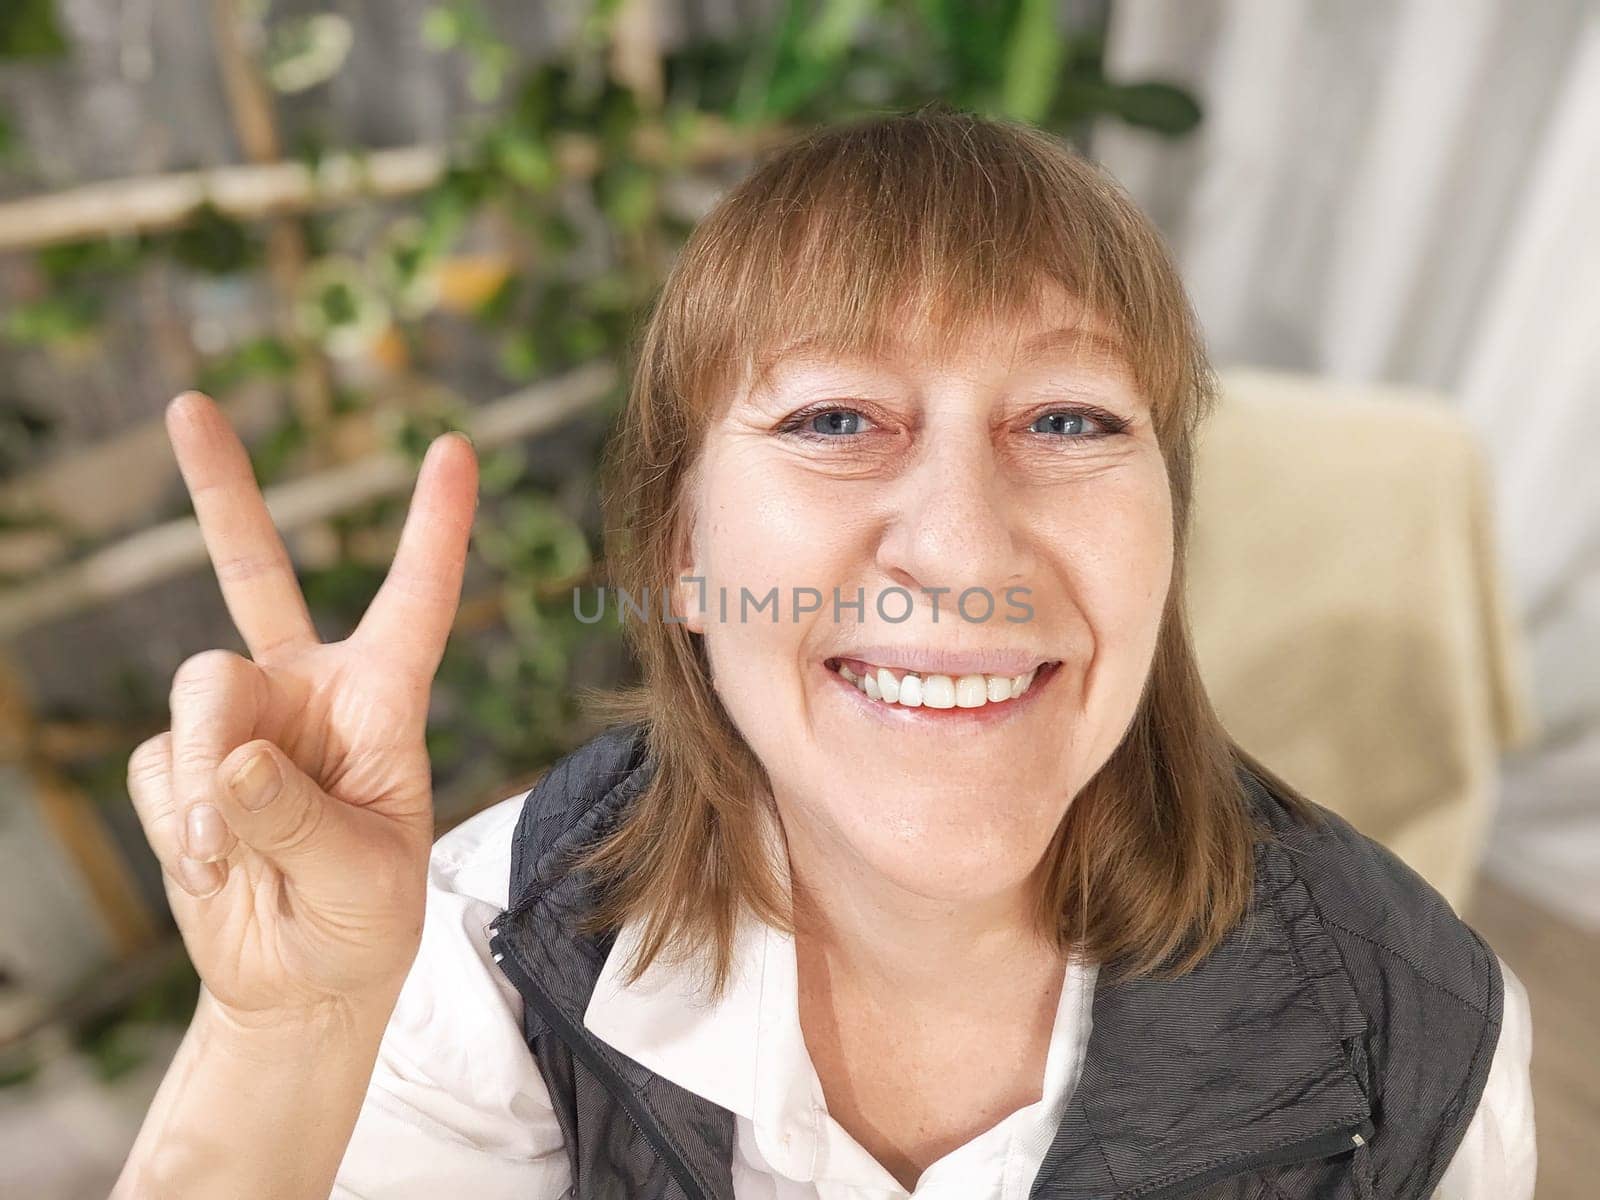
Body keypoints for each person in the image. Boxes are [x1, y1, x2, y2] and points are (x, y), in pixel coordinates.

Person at [113, 108, 1534, 1199]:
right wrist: (286, 1032)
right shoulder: (484, 955)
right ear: (680, 553)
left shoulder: (1421, 1029)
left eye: (1070, 420)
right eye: (837, 421)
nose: (967, 552)